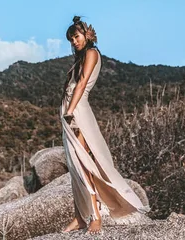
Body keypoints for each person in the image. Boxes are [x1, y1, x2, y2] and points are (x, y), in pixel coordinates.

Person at [60, 15, 150, 234]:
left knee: (84, 165)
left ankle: (95, 216)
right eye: (71, 39)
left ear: (87, 35)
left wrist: (70, 112)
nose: (74, 41)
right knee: (75, 167)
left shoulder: (91, 53)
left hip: (77, 112)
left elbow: (82, 84)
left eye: (77, 36)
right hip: (69, 112)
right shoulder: (80, 58)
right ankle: (80, 216)